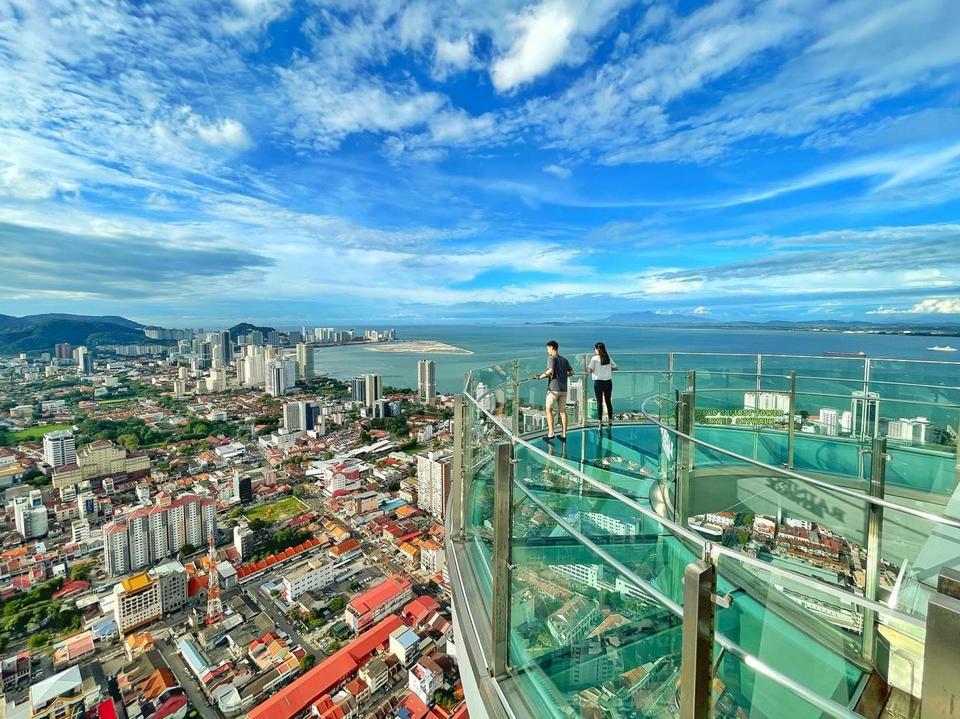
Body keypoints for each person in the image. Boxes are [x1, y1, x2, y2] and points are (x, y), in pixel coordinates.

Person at [534, 340, 574, 442]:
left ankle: (551, 433)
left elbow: (550, 371)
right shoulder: (564, 360)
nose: (547, 351)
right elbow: (572, 372)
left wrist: (539, 377)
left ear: (552, 347)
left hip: (553, 389)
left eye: (547, 348)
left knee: (548, 409)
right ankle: (564, 434)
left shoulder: (551, 358)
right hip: (563, 389)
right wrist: (563, 375)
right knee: (562, 411)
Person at [586, 341, 618, 428]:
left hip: (598, 383)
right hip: (608, 382)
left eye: (595, 348)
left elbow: (589, 370)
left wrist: (590, 370)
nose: (594, 350)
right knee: (608, 402)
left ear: (597, 349)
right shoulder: (608, 358)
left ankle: (600, 422)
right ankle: (610, 420)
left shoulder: (594, 359)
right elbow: (616, 368)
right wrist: (607, 371)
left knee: (599, 402)